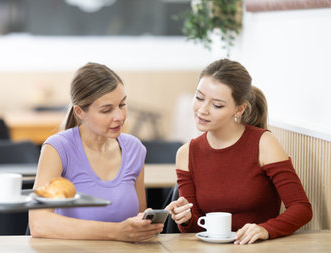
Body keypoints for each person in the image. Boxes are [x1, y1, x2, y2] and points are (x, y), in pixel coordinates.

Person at [165, 59, 312, 244]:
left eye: (217, 105)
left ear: (239, 109)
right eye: (199, 97)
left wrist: (265, 229)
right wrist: (184, 218)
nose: (202, 110)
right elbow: (196, 227)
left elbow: (301, 208)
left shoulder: (263, 143)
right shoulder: (186, 153)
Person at [28, 62, 164, 242]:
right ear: (79, 112)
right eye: (106, 110)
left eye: (122, 105)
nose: (119, 116)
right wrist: (116, 232)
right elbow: (39, 223)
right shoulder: (58, 148)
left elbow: (139, 218)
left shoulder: (134, 149)